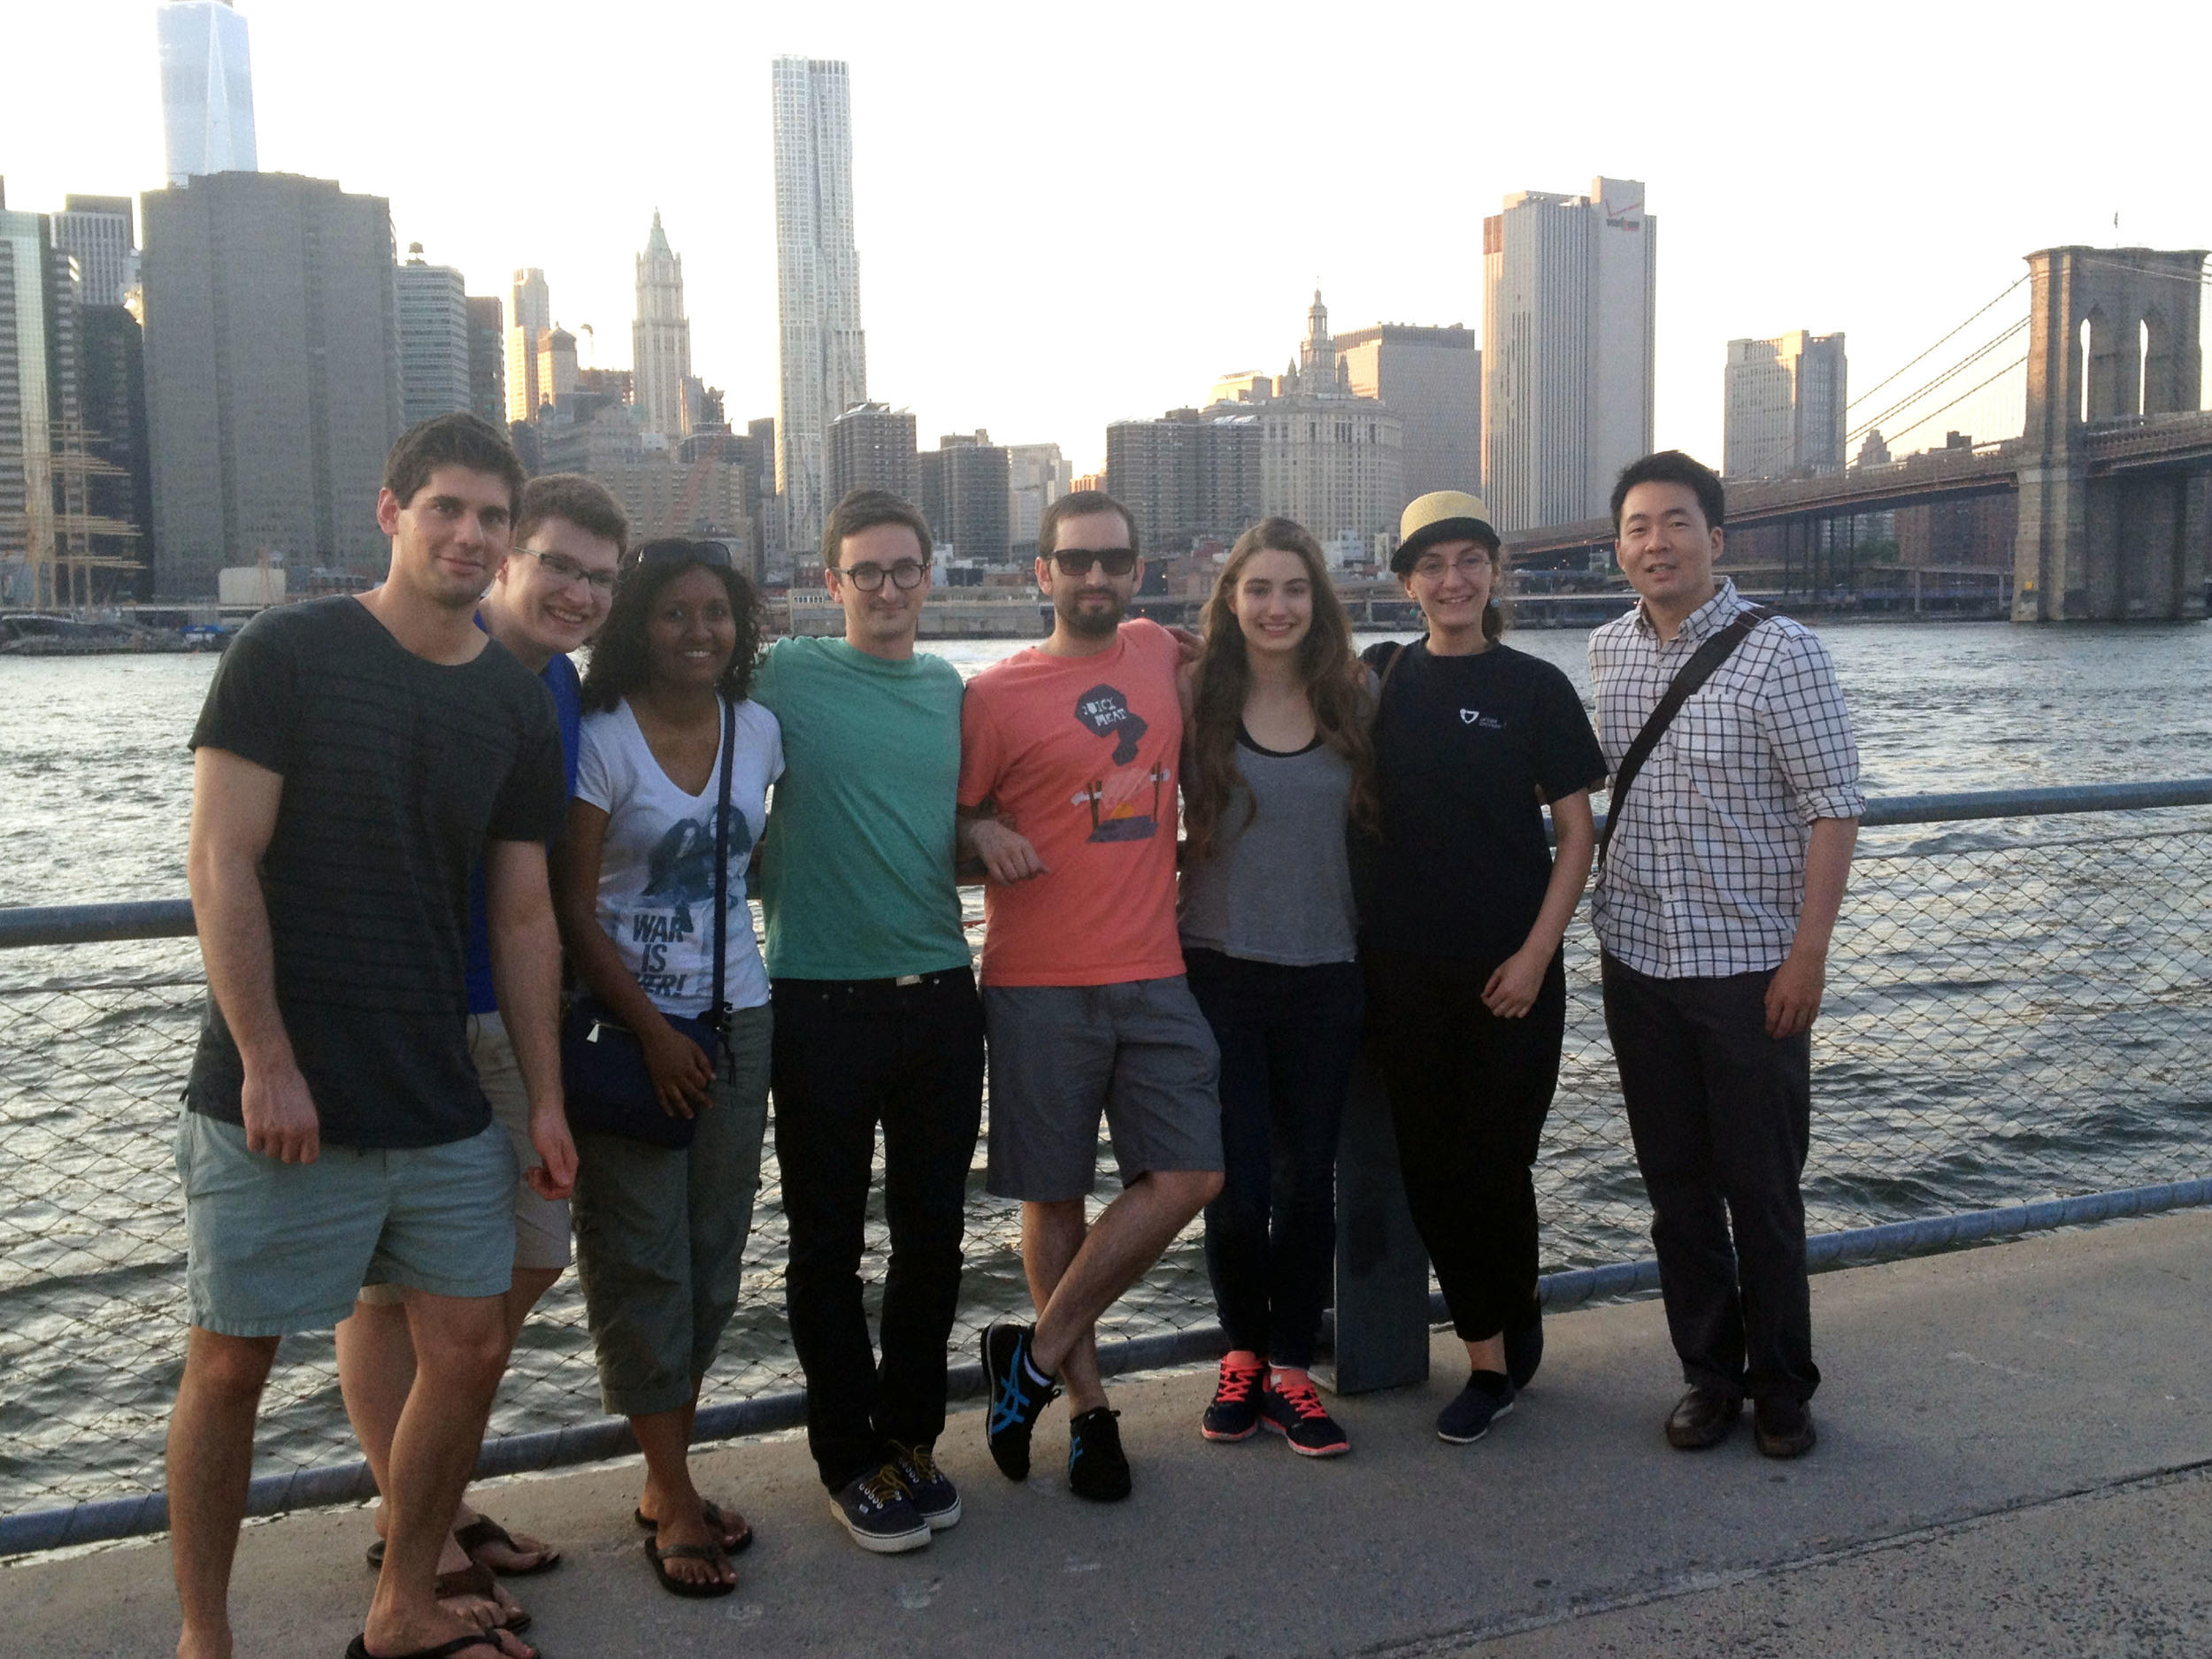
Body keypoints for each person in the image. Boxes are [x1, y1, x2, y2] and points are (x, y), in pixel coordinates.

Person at [172, 412, 572, 1659]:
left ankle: (402, 1601)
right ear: (391, 512)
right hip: (280, 1093)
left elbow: (521, 912)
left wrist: (547, 1097)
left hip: (438, 1090)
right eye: (446, 507)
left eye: (492, 517)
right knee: (231, 1363)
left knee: (468, 1341)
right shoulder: (286, 651)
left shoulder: (512, 701)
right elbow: (219, 859)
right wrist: (268, 1059)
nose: (470, 533)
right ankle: (205, 1633)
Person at [335, 473, 626, 1629]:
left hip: (514, 1013)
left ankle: (428, 1497)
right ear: (507, 555)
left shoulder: (555, 683)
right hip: (406, 1021)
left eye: (599, 578)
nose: (575, 591)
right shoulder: (425, 663)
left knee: (521, 1264)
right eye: (557, 562)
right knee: (390, 1294)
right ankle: (421, 1528)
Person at [1588, 450, 1862, 1460]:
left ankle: (1782, 1383)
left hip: (1749, 966)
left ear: (1716, 536)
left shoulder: (1782, 651)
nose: (1654, 543)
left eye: (1674, 522)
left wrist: (1809, 955)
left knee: (1762, 1187)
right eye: (1635, 527)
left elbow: (1833, 805)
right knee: (1674, 1188)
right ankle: (1708, 1376)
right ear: (1617, 546)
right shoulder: (1605, 649)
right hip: (1638, 961)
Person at [961, 489, 1225, 1502]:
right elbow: (947, 814)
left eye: (1113, 560)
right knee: (1054, 1194)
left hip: (1154, 968)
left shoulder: (1161, 649)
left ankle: (1025, 1357)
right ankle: (1087, 1409)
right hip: (1036, 982)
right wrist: (976, 832)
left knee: (1193, 1172)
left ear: (1138, 569)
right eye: (1074, 561)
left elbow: (1251, 661)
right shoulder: (992, 695)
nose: (1095, 578)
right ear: (1042, 573)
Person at [752, 490, 983, 1554]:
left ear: (927, 575)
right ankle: (847, 1455)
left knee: (933, 1237)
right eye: (865, 573)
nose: (887, 590)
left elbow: (988, 785)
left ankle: (912, 1437)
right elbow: (663, 679)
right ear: (831, 583)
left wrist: (983, 823)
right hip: (818, 1003)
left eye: (904, 570)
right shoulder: (783, 674)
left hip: (941, 994)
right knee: (826, 1245)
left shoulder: (948, 688)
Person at [549, 541, 779, 1595]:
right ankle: (671, 1489)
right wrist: (650, 1029)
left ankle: (664, 1475)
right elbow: (571, 904)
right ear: (638, 621)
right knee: (641, 1256)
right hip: (629, 1030)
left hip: (740, 1021)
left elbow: (754, 869)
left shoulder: (761, 731)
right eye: (676, 613)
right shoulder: (601, 740)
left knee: (715, 1254)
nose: (699, 631)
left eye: (718, 613)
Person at [1360, 490, 1607, 1447]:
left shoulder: (1534, 688)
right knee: (1429, 1168)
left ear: (1493, 573)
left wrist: (1536, 953)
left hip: (1513, 972)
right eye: (1431, 565)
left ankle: (1501, 1338)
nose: (1451, 580)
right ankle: (1493, 1341)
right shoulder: (1379, 682)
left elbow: (1575, 833)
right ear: (1406, 583)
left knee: (1495, 1164)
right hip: (1401, 969)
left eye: (1468, 560)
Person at [1179, 518, 1375, 1458]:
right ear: (1230, 600)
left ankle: (1294, 1368)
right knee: (1234, 1183)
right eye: (1257, 589)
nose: (1276, 606)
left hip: (1327, 971)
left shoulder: (1353, 695)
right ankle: (1242, 1355)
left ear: (1316, 601)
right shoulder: (1194, 698)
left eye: (1294, 589)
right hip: (1218, 969)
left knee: (1309, 1183)